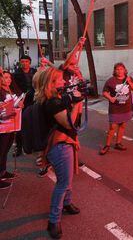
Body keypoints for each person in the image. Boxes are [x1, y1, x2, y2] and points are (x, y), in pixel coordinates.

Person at [34, 67, 82, 239]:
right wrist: (77, 102)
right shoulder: (52, 102)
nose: (64, 82)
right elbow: (69, 123)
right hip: (59, 145)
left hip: (63, 142)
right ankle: (53, 221)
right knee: (63, 182)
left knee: (68, 179)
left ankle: (67, 204)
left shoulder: (53, 98)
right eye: (60, 79)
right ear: (51, 83)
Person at [100, 63, 133, 155]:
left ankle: (118, 143)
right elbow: (104, 92)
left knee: (122, 125)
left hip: (126, 107)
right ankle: (107, 145)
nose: (119, 71)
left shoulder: (129, 79)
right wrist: (110, 98)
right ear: (114, 71)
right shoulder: (111, 81)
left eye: (121, 69)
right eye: (117, 69)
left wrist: (129, 82)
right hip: (115, 108)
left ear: (124, 70)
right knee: (112, 127)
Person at [0, 71, 23, 189]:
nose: (7, 79)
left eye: (9, 77)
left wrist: (19, 104)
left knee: (5, 150)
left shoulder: (11, 90)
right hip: (2, 127)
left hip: (10, 126)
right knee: (1, 150)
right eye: (4, 77)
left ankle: (3, 171)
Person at [12, 55, 37, 157]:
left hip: (33, 101)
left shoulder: (35, 72)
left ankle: (31, 145)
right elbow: (13, 86)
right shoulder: (16, 73)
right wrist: (19, 98)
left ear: (30, 62)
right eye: (22, 61)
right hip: (21, 101)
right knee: (20, 125)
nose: (24, 63)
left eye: (26, 61)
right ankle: (18, 147)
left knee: (33, 123)